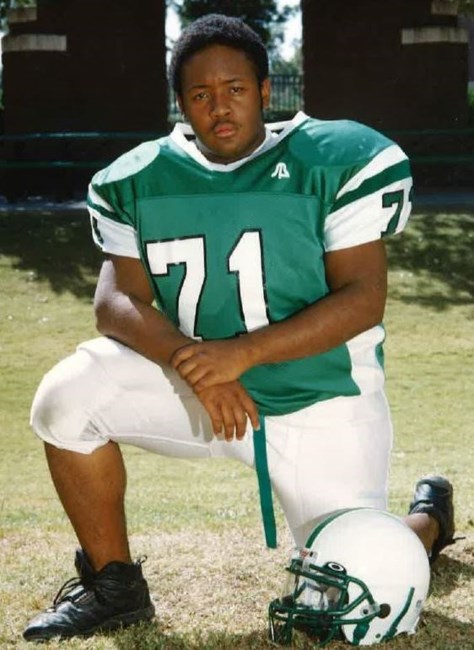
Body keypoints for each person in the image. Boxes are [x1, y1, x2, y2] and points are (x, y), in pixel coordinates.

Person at [23, 13, 456, 644]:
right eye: (201, 94)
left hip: (320, 397)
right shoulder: (138, 179)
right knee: (68, 397)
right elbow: (115, 301)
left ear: (264, 90)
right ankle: (114, 587)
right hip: (202, 392)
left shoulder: (330, 160)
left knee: (350, 587)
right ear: (182, 103)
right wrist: (199, 364)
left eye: (235, 89)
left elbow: (363, 298)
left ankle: (427, 524)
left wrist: (240, 355)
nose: (219, 107)